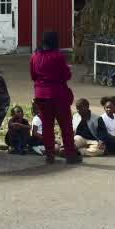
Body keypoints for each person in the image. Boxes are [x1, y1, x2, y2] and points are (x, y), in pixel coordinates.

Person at [29, 31, 81, 165]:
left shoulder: (35, 56)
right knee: (65, 125)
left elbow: (33, 76)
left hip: (41, 94)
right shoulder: (58, 56)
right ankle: (70, 154)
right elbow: (65, 75)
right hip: (58, 94)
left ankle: (50, 155)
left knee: (47, 126)